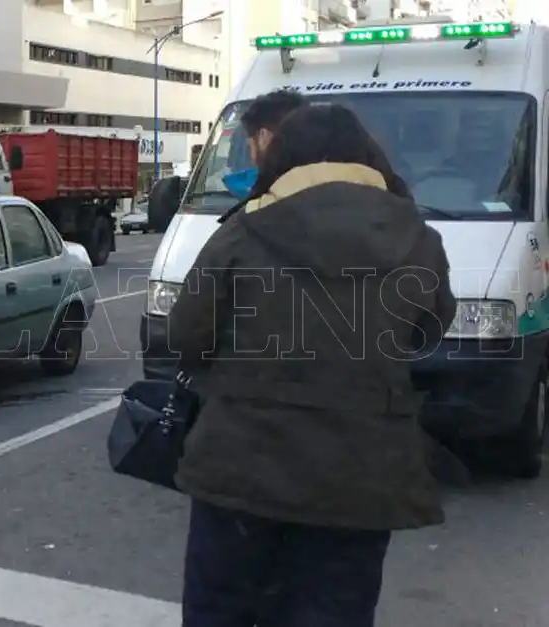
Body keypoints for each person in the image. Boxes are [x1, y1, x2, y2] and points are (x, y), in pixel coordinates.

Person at [167, 104, 457, 627]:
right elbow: (428, 332)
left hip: (241, 466)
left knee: (221, 609)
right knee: (335, 611)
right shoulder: (416, 237)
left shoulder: (244, 230)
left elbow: (186, 337)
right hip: (361, 473)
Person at [222, 89, 308, 199]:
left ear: (263, 137)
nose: (252, 158)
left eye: (250, 145)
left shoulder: (260, 205)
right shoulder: (328, 188)